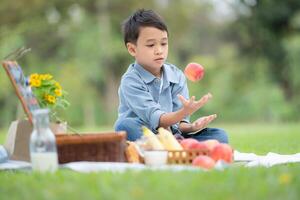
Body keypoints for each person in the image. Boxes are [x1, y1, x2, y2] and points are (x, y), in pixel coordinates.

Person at [114, 9, 228, 143]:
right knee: (124, 126)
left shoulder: (177, 75)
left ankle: (174, 146)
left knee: (220, 136)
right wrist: (184, 112)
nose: (159, 50)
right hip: (146, 132)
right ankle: (176, 147)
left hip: (172, 135)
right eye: (151, 45)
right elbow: (156, 118)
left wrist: (192, 126)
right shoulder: (131, 81)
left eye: (163, 43)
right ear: (132, 49)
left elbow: (180, 124)